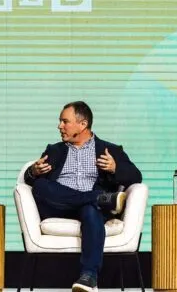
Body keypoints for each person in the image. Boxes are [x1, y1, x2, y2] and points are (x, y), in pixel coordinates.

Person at [24, 101, 142, 292]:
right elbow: (29, 181)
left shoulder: (109, 149)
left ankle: (89, 277)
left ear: (82, 124)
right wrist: (33, 171)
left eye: (65, 121)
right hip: (59, 207)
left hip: (90, 211)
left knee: (90, 210)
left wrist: (115, 168)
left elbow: (136, 176)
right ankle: (97, 198)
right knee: (40, 186)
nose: (59, 126)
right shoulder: (54, 150)